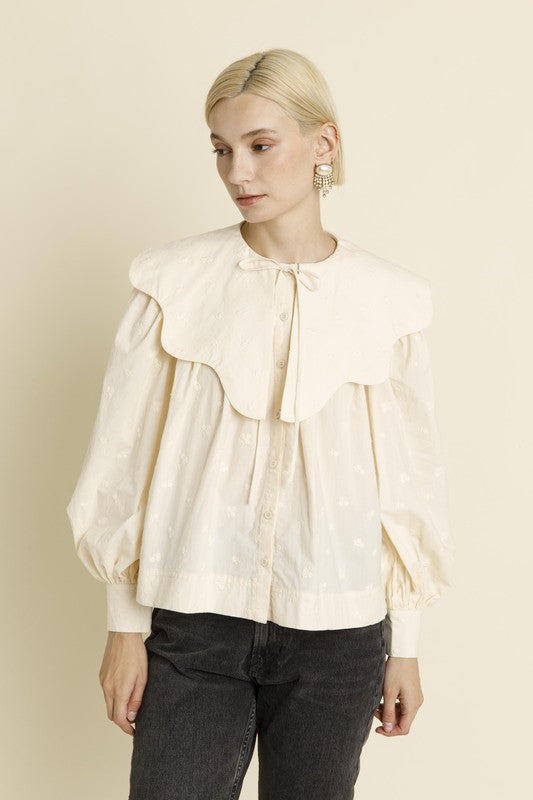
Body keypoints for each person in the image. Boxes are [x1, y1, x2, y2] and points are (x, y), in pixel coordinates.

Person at [66, 48, 455, 799]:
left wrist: (404, 643)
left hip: (339, 634)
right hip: (193, 625)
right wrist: (124, 626)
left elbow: (409, 483)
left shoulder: (387, 302)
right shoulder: (173, 286)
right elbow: (124, 463)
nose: (237, 172)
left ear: (323, 144)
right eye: (221, 149)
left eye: (260, 145)